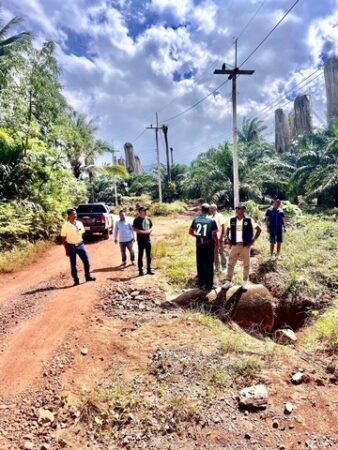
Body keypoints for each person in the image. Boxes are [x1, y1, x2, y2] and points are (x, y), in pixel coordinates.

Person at [222, 204, 261, 291]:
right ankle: (228, 281)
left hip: (245, 246)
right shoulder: (232, 220)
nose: (238, 210)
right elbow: (227, 229)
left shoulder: (249, 220)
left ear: (244, 210)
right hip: (235, 245)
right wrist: (228, 239)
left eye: (240, 209)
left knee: (246, 264)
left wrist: (252, 241)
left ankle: (244, 282)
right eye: (237, 209)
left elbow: (259, 229)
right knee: (231, 263)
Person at [61, 208, 96, 286]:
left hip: (80, 245)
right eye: (73, 214)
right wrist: (66, 249)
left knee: (86, 262)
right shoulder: (65, 226)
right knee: (73, 264)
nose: (75, 215)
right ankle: (76, 280)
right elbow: (63, 238)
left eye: (75, 214)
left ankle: (88, 276)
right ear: (69, 215)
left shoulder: (79, 223)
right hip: (71, 246)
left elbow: (82, 232)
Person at [189, 203, 219, 290]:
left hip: (199, 244)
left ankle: (201, 284)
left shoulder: (196, 219)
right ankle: (209, 285)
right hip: (209, 244)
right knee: (209, 264)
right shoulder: (211, 220)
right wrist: (217, 244)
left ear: (201, 210)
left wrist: (198, 236)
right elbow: (214, 235)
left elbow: (190, 232)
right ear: (209, 210)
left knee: (200, 264)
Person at [133, 206, 154, 276]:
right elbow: (134, 228)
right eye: (143, 211)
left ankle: (149, 269)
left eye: (145, 211)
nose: (145, 212)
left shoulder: (148, 219)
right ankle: (140, 270)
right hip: (140, 240)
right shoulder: (137, 220)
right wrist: (142, 232)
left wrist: (149, 231)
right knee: (140, 255)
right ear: (139, 212)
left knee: (149, 255)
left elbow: (151, 227)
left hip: (148, 240)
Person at [210, 203, 226, 272]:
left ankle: (224, 266)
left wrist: (222, 236)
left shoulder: (219, 216)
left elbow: (223, 226)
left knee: (221, 252)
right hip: (213, 239)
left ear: (215, 209)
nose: (210, 209)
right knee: (215, 253)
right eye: (210, 208)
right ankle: (217, 267)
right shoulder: (211, 217)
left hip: (219, 237)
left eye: (212, 208)